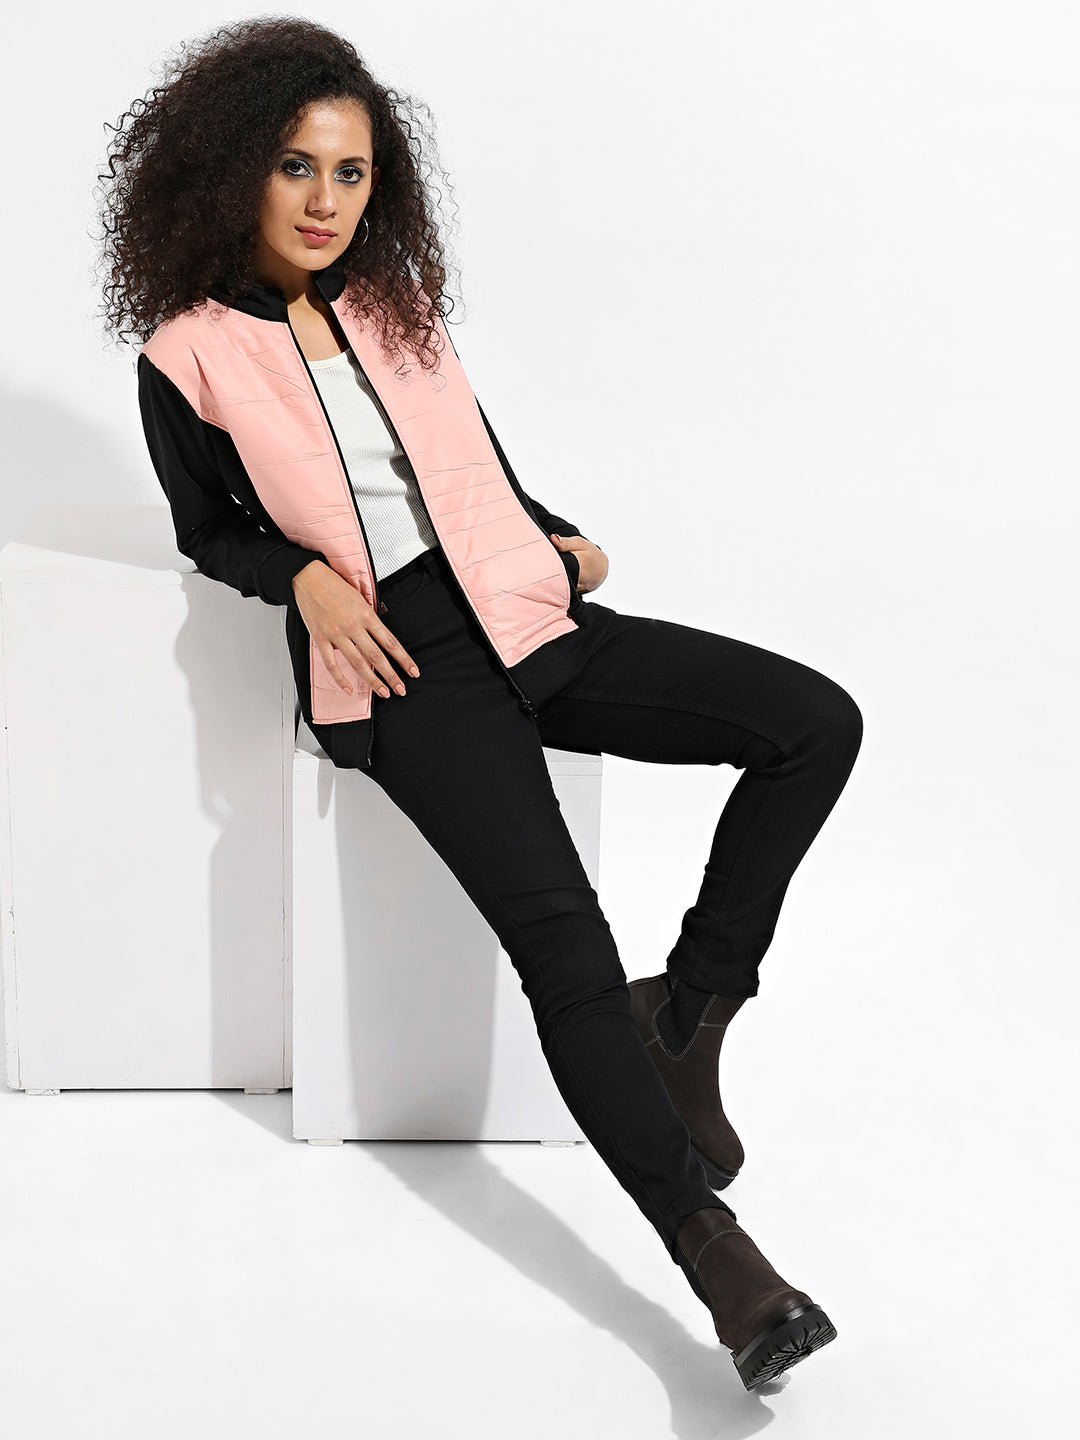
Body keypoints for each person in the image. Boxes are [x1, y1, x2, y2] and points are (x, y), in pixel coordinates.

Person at [96, 17, 863, 1392]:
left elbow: (470, 465)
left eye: (351, 172)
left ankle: (691, 1009)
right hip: (406, 664)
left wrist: (557, 538)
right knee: (564, 944)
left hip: (528, 613)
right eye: (296, 166)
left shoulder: (399, 305)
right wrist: (305, 583)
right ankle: (725, 1268)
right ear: (232, 170)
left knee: (814, 722)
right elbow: (208, 532)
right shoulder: (189, 354)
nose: (327, 201)